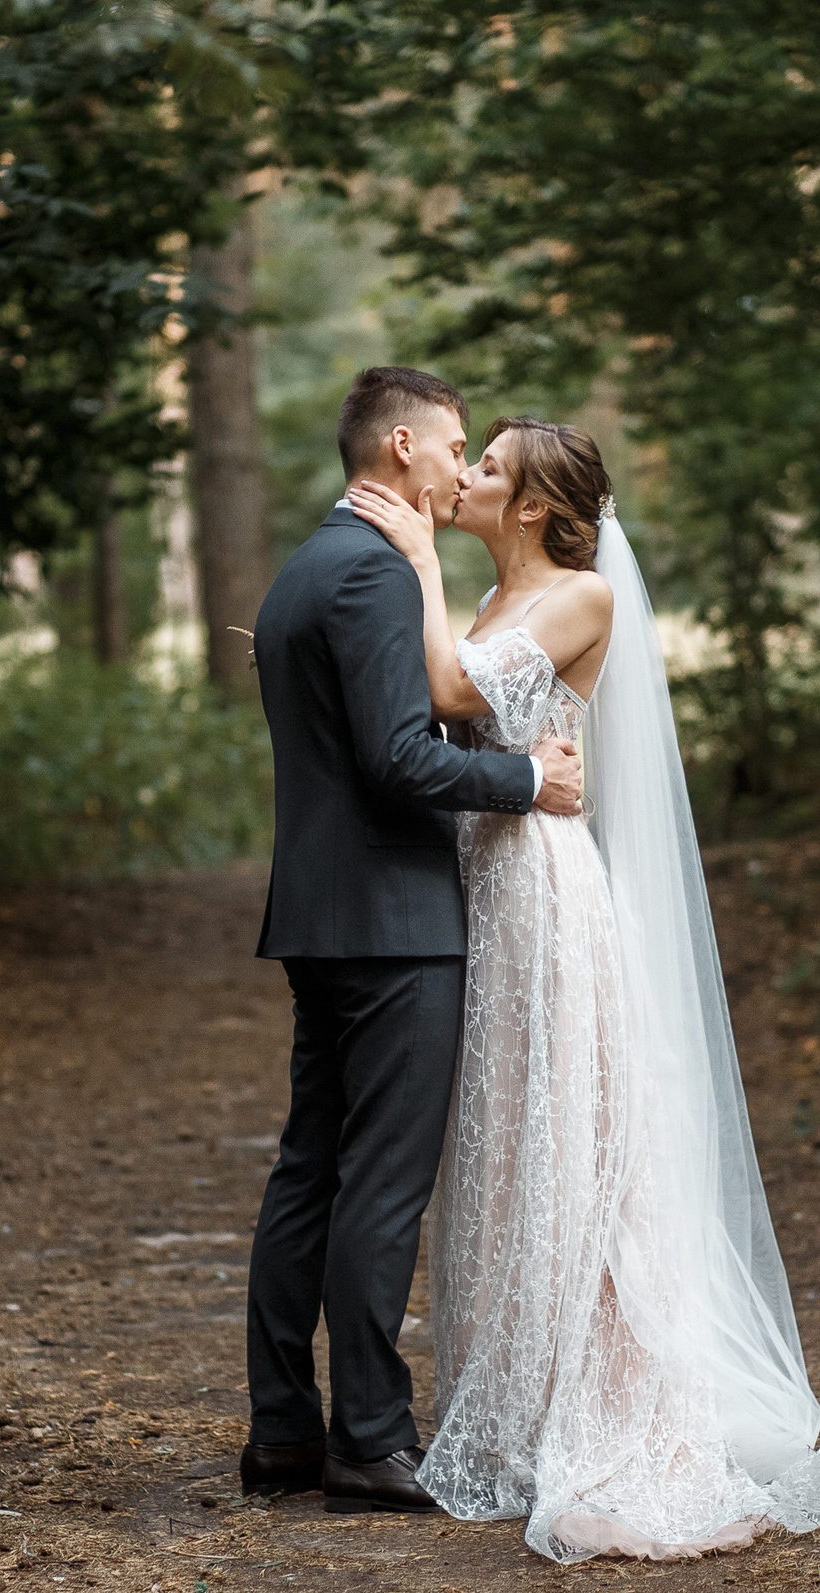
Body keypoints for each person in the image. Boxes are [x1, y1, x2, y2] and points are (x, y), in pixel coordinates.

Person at [342, 418, 820, 1561]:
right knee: (503, 1141)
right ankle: (524, 1393)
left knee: (571, 1140)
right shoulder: (494, 603)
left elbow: (444, 690)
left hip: (543, 893)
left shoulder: (581, 597)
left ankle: (605, 1409)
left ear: (535, 505)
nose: (465, 478)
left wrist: (416, 564)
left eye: (487, 468)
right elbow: (437, 705)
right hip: (479, 885)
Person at [241, 368, 586, 1515]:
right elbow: (400, 757)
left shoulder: (305, 568)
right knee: (381, 1187)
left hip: (319, 914)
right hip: (394, 925)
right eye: (450, 449)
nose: (455, 469)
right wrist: (525, 777)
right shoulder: (378, 573)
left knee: (309, 1175)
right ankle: (370, 1436)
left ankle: (285, 1431)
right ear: (401, 446)